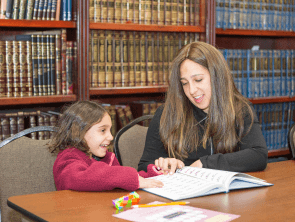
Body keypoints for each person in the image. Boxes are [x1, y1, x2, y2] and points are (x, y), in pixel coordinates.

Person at [138, 41, 268, 174]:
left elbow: (258, 155)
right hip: (183, 191)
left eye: (198, 80)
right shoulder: (166, 113)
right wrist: (163, 165)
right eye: (184, 83)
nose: (192, 90)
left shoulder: (240, 109)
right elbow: (144, 165)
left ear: (217, 77)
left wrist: (206, 163)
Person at [48, 100, 163, 192]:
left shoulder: (107, 157)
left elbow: (126, 179)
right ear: (79, 132)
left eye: (110, 130)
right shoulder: (68, 158)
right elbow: (81, 178)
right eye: (103, 130)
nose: (111, 137)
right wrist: (128, 178)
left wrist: (155, 174)